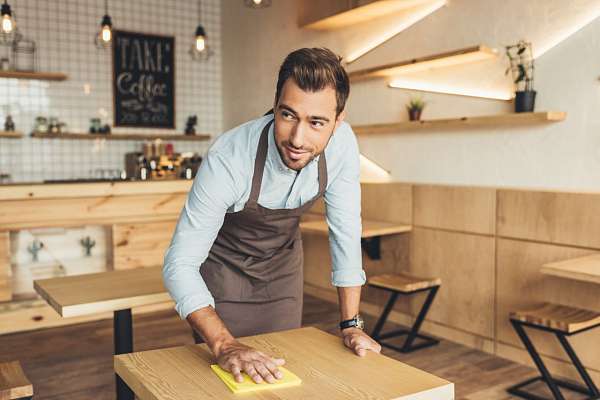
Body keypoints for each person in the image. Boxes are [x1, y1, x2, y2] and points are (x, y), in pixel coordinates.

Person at [163, 47, 381, 385]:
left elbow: (346, 234)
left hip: (282, 271)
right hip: (225, 274)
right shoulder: (230, 156)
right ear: (275, 104)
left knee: (281, 374)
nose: (297, 138)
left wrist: (351, 325)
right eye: (288, 115)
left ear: (339, 121)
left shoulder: (343, 147)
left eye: (316, 123)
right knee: (229, 380)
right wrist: (224, 344)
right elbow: (179, 263)